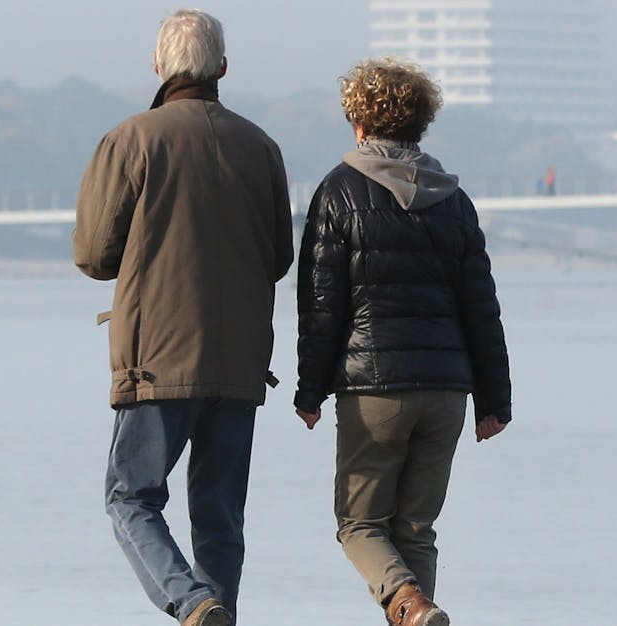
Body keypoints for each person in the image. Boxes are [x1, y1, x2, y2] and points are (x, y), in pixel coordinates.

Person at [73, 9, 292, 626]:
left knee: (130, 497)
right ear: (222, 67)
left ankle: (193, 602)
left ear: (158, 65)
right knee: (220, 513)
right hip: (240, 359)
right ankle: (219, 612)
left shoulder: (131, 140)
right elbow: (279, 257)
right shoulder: (262, 147)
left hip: (157, 358)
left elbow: (94, 256)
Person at [294, 56, 512, 626]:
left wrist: (308, 391)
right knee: (415, 529)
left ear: (359, 124)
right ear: (420, 124)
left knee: (360, 525)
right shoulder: (455, 202)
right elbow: (481, 309)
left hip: (374, 390)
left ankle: (411, 606)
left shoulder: (338, 192)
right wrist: (495, 402)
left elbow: (321, 304)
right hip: (447, 391)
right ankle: (416, 613)